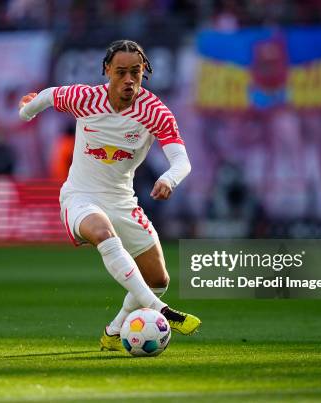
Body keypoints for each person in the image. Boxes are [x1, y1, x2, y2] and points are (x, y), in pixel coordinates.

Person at [18, 39, 201, 352]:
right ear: (107, 71)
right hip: (80, 196)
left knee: (158, 278)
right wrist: (27, 111)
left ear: (144, 72)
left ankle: (115, 332)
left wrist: (169, 178)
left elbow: (182, 161)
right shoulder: (85, 97)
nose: (128, 79)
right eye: (121, 72)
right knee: (102, 231)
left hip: (122, 202)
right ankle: (160, 310)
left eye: (135, 72)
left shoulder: (155, 112)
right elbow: (50, 96)